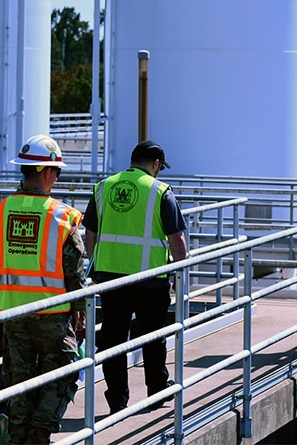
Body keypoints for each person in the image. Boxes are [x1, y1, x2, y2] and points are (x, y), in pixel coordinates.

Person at [0, 135, 86, 444]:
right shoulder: (62, 217)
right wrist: (81, 312)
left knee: (19, 380)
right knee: (62, 374)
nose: (57, 178)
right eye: (57, 171)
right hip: (53, 315)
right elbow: (75, 273)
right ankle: (40, 432)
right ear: (47, 172)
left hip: (11, 314)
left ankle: (16, 433)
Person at [85, 140, 187, 413]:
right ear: (155, 164)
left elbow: (90, 236)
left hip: (111, 278)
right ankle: (156, 391)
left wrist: (97, 266)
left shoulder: (103, 187)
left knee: (113, 340)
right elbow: (177, 240)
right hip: (150, 279)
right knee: (153, 337)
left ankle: (117, 399)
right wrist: (179, 272)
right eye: (160, 168)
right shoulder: (160, 191)